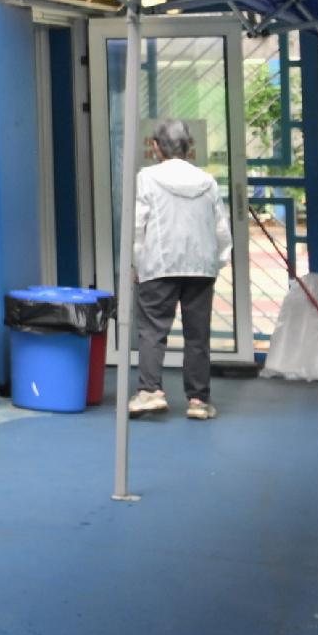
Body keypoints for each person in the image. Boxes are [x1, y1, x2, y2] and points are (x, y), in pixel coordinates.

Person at [128, 118, 228, 421]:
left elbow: (137, 226)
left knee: (152, 331)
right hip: (200, 267)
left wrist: (137, 262)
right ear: (190, 147)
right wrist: (217, 261)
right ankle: (199, 401)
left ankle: (150, 391)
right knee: (197, 336)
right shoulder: (207, 181)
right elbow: (220, 228)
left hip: (159, 265)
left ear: (155, 147)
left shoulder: (147, 178)